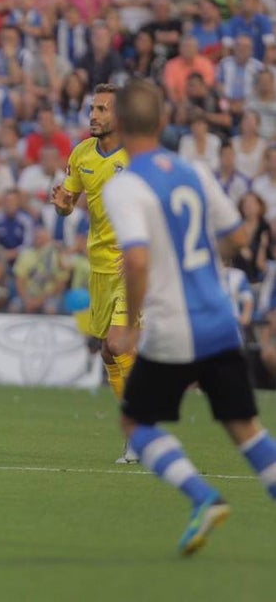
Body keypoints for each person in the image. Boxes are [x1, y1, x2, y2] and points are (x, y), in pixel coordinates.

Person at [101, 78, 276, 556]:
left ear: (118, 124)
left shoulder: (126, 185)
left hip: (175, 328)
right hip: (220, 320)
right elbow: (239, 239)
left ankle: (203, 497)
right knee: (245, 428)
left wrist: (131, 320)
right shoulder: (194, 171)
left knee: (136, 423)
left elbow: (135, 260)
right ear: (163, 123)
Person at [51, 83, 139, 464]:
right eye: (93, 108)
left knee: (119, 344)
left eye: (103, 109)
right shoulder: (82, 153)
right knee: (108, 350)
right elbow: (68, 202)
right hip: (99, 266)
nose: (94, 115)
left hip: (133, 267)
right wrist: (63, 208)